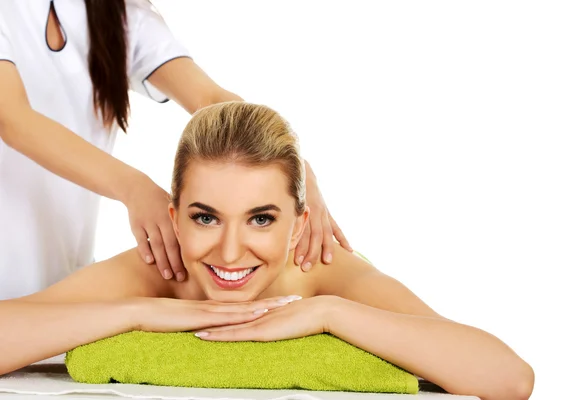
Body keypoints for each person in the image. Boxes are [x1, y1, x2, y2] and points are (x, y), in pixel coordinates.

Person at [0, 102, 534, 400]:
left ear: (300, 225)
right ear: (174, 219)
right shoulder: (157, 270)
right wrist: (145, 310)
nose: (230, 252)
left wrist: (327, 313)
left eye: (261, 219)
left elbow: (508, 379)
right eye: (204, 217)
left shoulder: (325, 274)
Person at [0, 0, 350, 300]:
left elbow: (210, 100)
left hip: (58, 276)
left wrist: (297, 171)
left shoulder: (118, 12)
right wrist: (134, 188)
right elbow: (11, 118)